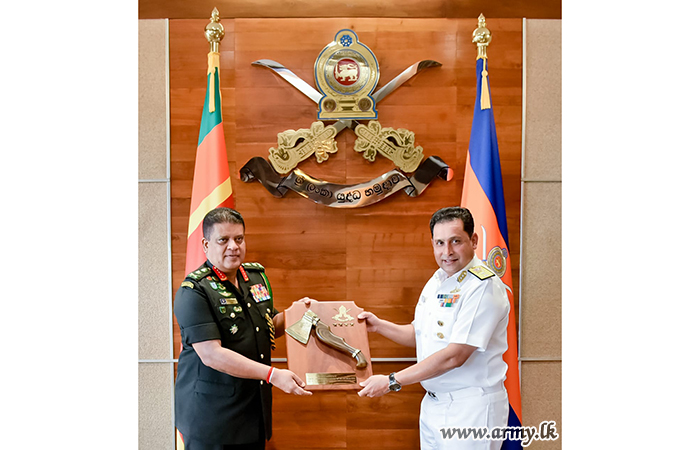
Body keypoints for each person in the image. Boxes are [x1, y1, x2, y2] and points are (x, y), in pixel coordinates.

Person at [357, 206, 510, 450]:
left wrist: (392, 381)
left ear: (473, 240)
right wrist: (380, 326)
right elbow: (421, 335)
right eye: (440, 243)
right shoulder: (438, 279)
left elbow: (455, 356)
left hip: (470, 408)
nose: (447, 252)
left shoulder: (483, 287)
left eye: (455, 241)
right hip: (433, 405)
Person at [174, 207, 312, 450]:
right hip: (212, 417)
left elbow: (267, 327)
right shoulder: (194, 291)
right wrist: (272, 374)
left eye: (239, 238)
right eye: (223, 240)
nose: (233, 246)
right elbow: (211, 354)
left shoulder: (255, 278)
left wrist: (297, 314)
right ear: (206, 244)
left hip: (252, 410)